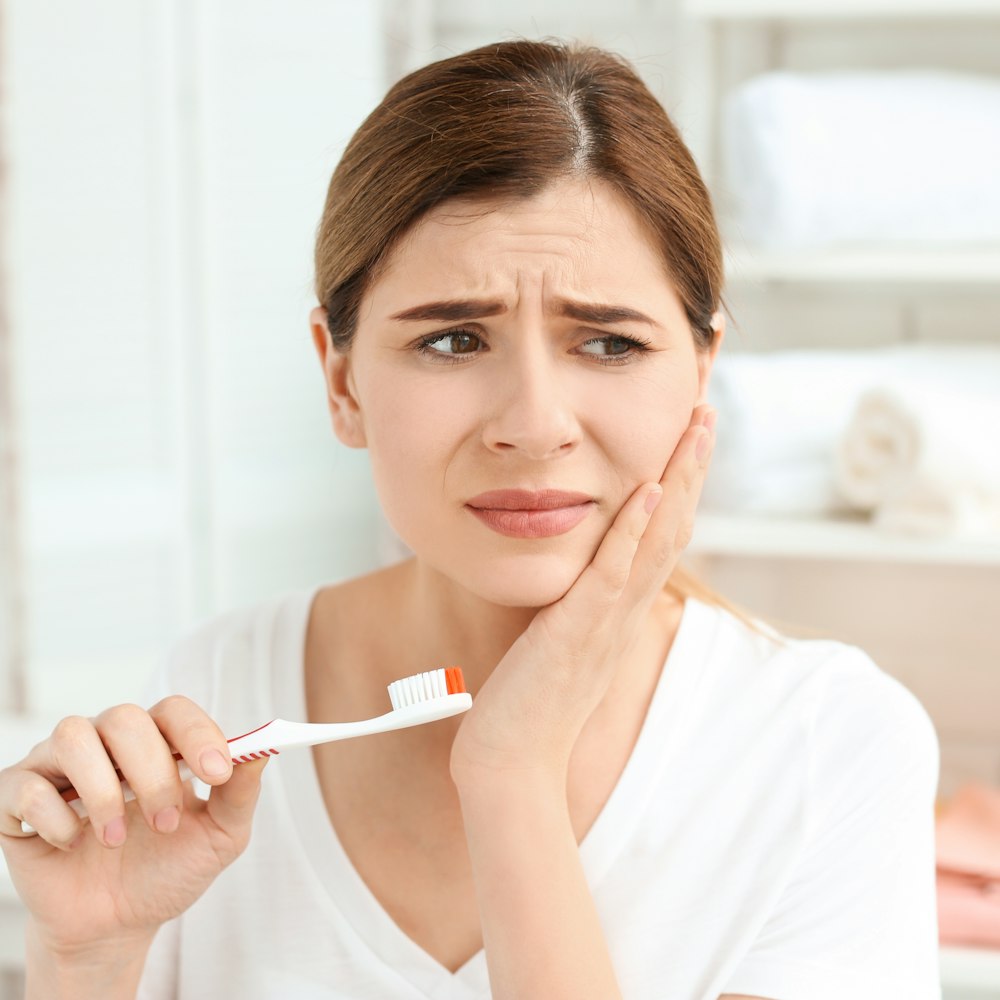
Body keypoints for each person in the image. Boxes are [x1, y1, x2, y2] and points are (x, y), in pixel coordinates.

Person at [0, 39, 941, 1000]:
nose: (534, 426)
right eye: (453, 340)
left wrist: (512, 778)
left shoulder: (829, 746)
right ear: (341, 378)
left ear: (701, 372)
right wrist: (89, 959)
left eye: (609, 343)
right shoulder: (217, 698)